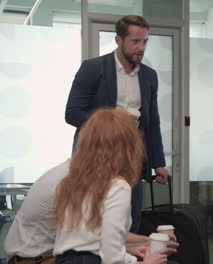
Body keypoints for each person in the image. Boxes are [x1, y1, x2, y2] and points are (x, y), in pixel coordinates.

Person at [64, 15, 169, 233]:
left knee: (131, 221)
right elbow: (72, 113)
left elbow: (152, 122)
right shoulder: (93, 69)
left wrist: (158, 161)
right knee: (94, 222)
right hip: (95, 159)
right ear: (118, 40)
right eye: (135, 41)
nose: (141, 47)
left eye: (145, 41)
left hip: (131, 160)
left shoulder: (149, 76)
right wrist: (113, 123)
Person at [53, 108, 172, 264]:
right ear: (128, 146)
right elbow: (112, 258)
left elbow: (89, 240)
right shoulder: (117, 186)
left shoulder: (72, 182)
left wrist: (128, 254)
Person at [3, 159, 178, 264]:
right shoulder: (77, 183)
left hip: (51, 252)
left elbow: (102, 234)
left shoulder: (79, 171)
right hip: (35, 259)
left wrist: (148, 242)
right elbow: (90, 248)